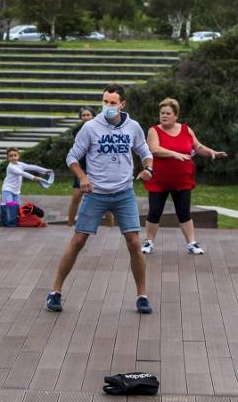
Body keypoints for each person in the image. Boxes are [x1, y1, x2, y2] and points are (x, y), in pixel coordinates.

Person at [47, 84, 155, 315]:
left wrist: (148, 169)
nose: (107, 106)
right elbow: (72, 157)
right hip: (96, 193)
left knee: (135, 243)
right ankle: (55, 292)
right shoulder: (90, 127)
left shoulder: (133, 127)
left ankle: (142, 296)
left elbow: (145, 152)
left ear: (122, 105)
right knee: (78, 241)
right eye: (105, 101)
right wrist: (83, 177)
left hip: (124, 193)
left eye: (112, 102)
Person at [142, 98, 228, 256]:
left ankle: (192, 243)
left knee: (184, 212)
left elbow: (198, 147)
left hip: (182, 180)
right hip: (159, 180)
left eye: (168, 113)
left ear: (176, 115)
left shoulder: (186, 130)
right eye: (162, 113)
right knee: (154, 211)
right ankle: (148, 242)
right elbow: (154, 149)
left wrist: (211, 152)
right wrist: (175, 154)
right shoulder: (154, 130)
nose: (164, 116)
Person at [0, 147, 51, 226]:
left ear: (18, 156)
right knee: (9, 206)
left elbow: (32, 167)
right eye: (11, 156)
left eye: (15, 155)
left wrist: (45, 170)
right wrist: (33, 178)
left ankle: (9, 221)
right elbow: (22, 173)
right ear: (7, 158)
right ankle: (2, 221)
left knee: (16, 208)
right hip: (7, 190)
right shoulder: (11, 167)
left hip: (16, 191)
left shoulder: (20, 164)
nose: (13, 157)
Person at [66, 106, 97, 226]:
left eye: (88, 115)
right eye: (83, 115)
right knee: (76, 196)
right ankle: (69, 225)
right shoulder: (77, 131)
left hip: (97, 168)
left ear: (93, 116)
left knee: (103, 201)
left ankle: (110, 226)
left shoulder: (100, 129)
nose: (85, 117)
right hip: (82, 168)